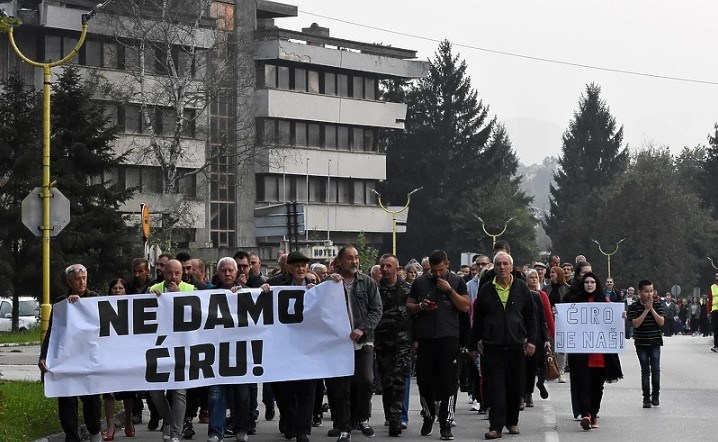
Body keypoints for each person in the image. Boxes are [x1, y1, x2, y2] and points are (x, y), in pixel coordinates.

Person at [470, 252, 536, 440]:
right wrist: (473, 345)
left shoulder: (521, 287)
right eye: (498, 264)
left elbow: (531, 317)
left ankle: (511, 421)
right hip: (493, 346)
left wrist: (531, 341)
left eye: (505, 264)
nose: (502, 267)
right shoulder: (486, 289)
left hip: (516, 346)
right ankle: (495, 426)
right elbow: (478, 320)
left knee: (515, 387)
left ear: (511, 266)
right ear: (494, 267)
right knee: (496, 387)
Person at [407, 250, 469, 441]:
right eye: (434, 271)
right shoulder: (420, 282)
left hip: (448, 339)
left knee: (449, 384)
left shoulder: (457, 281)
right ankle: (428, 415)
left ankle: (446, 423)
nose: (437, 274)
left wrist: (449, 290)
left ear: (447, 264)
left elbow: (465, 306)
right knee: (425, 382)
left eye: (441, 269)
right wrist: (420, 306)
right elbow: (409, 305)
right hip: (426, 340)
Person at [39, 264, 102, 442]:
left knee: (92, 401)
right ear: (69, 282)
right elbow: (53, 331)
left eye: (84, 278)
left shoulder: (95, 298)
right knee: (67, 401)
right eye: (78, 279)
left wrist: (80, 304)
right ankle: (72, 437)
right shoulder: (61, 303)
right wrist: (44, 356)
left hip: (89, 359)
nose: (82, 282)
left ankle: (95, 434)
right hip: (67, 359)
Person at [326, 245, 382, 442]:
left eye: (356, 257)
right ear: (340, 261)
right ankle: (343, 427)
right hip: (338, 344)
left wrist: (363, 329)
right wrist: (322, 284)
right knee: (340, 386)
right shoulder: (330, 283)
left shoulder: (367, 283)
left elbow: (376, 310)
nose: (355, 261)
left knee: (365, 381)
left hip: (363, 342)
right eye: (349, 258)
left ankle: (361, 418)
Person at [262, 251, 318, 442]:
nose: (301, 269)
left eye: (304, 266)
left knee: (307, 390)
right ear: (289, 268)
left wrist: (325, 287)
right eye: (296, 266)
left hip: (307, 347)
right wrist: (263, 291)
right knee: (283, 390)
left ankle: (302, 430)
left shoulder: (315, 286)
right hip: (283, 348)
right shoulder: (277, 284)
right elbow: (260, 300)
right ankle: (290, 421)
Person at [564, 272, 623, 430]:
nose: (589, 285)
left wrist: (619, 317)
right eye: (586, 282)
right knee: (583, 383)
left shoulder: (605, 302)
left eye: (592, 282)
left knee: (597, 385)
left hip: (600, 353)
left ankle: (594, 413)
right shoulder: (575, 302)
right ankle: (585, 414)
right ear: (583, 284)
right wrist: (560, 316)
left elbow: (612, 325)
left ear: (596, 284)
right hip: (581, 352)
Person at [148, 259, 194, 442]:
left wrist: (177, 298)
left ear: (182, 274)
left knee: (179, 392)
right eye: (170, 273)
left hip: (182, 348)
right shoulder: (153, 289)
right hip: (159, 348)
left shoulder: (190, 290)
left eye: (177, 274)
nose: (173, 277)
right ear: (163, 273)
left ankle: (175, 433)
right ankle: (168, 421)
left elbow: (196, 315)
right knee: (155, 391)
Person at [206, 257, 251, 442]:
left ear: (236, 272)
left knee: (242, 394)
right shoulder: (207, 295)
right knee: (216, 394)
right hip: (217, 355)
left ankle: (242, 430)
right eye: (223, 270)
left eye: (230, 270)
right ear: (218, 273)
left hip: (241, 354)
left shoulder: (247, 293)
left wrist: (261, 291)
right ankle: (216, 432)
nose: (227, 273)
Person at [373, 254, 412, 437]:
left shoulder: (407, 289)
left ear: (397, 269)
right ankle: (390, 415)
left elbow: (414, 315)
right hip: (381, 342)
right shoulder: (374, 290)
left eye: (389, 266)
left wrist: (416, 339)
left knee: (398, 379)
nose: (385, 269)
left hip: (402, 342)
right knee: (386, 381)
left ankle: (396, 419)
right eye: (383, 266)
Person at [102, 278, 139, 441]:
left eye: (121, 288)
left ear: (126, 290)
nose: (117, 291)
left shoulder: (133, 308)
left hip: (127, 354)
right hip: (108, 354)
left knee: (127, 391)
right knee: (108, 391)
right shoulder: (101, 307)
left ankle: (128, 420)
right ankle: (110, 425)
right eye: (115, 288)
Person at [627, 280, 665, 408]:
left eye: (651, 291)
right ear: (639, 292)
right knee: (645, 371)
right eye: (646, 291)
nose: (649, 294)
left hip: (655, 342)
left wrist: (651, 309)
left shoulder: (658, 304)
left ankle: (655, 396)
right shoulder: (633, 307)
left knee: (655, 370)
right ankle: (646, 398)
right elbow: (635, 324)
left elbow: (661, 322)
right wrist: (645, 310)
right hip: (641, 343)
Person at [525, 269, 554, 405]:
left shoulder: (541, 295)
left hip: (539, 335)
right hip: (526, 335)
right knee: (529, 367)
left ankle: (541, 383)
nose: (534, 279)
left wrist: (547, 338)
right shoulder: (522, 294)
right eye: (531, 277)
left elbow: (544, 317)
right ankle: (528, 393)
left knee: (542, 364)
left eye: (535, 277)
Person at [708, 273, 718, 351]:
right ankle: (716, 345)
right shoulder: (712, 287)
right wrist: (708, 311)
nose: (717, 277)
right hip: (714, 311)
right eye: (716, 276)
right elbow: (710, 300)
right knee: (715, 329)